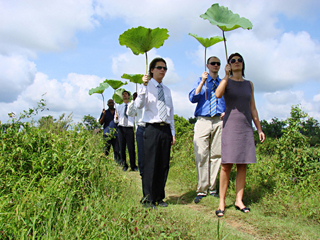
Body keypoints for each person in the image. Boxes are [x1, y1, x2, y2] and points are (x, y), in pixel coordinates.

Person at [215, 53, 265, 217]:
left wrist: (259, 129)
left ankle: (239, 200)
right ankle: (221, 202)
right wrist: (226, 75)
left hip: (245, 127)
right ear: (229, 64)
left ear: (243, 64)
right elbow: (218, 94)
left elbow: (253, 108)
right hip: (230, 125)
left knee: (243, 164)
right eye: (233, 61)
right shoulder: (226, 81)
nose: (236, 62)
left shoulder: (249, 84)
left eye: (239, 60)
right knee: (226, 164)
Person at [135, 57, 175, 209]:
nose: (162, 70)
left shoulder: (167, 90)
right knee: (150, 164)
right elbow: (139, 105)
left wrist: (172, 132)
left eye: (165, 68)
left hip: (165, 128)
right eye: (159, 67)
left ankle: (159, 196)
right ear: (151, 70)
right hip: (151, 128)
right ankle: (148, 198)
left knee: (163, 164)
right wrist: (144, 87)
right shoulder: (146, 86)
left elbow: (171, 112)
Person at [189, 56, 226, 204]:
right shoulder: (201, 80)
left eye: (218, 64)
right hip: (203, 119)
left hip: (218, 120)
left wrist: (226, 111)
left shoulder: (223, 82)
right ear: (207, 65)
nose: (215, 66)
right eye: (213, 63)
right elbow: (193, 98)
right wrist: (203, 82)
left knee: (217, 154)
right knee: (201, 155)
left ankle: (213, 188)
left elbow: (229, 99)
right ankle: (201, 189)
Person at [114, 90, 138, 172]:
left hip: (129, 128)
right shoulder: (118, 107)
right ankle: (124, 165)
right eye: (123, 95)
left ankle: (133, 165)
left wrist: (136, 130)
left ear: (129, 96)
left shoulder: (132, 106)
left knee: (131, 148)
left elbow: (135, 119)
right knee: (122, 147)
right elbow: (115, 121)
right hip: (121, 128)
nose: (124, 96)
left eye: (126, 94)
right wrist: (116, 118)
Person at [127, 92, 145, 178]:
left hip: (150, 127)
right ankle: (142, 171)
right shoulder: (137, 104)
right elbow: (130, 113)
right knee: (141, 151)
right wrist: (133, 101)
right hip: (140, 127)